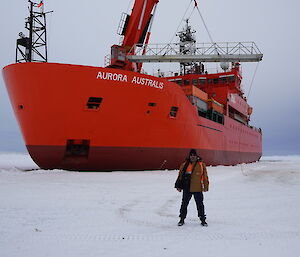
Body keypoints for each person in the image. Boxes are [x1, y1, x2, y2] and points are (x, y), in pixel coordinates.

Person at [175, 149, 209, 226]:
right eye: (191, 155)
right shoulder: (184, 165)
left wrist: (206, 186)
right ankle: (182, 219)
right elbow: (180, 175)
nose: (192, 156)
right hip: (187, 187)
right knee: (184, 203)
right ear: (189, 156)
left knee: (200, 204)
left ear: (196, 156)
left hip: (197, 187)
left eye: (194, 155)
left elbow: (205, 176)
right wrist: (179, 186)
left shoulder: (201, 164)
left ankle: (203, 220)